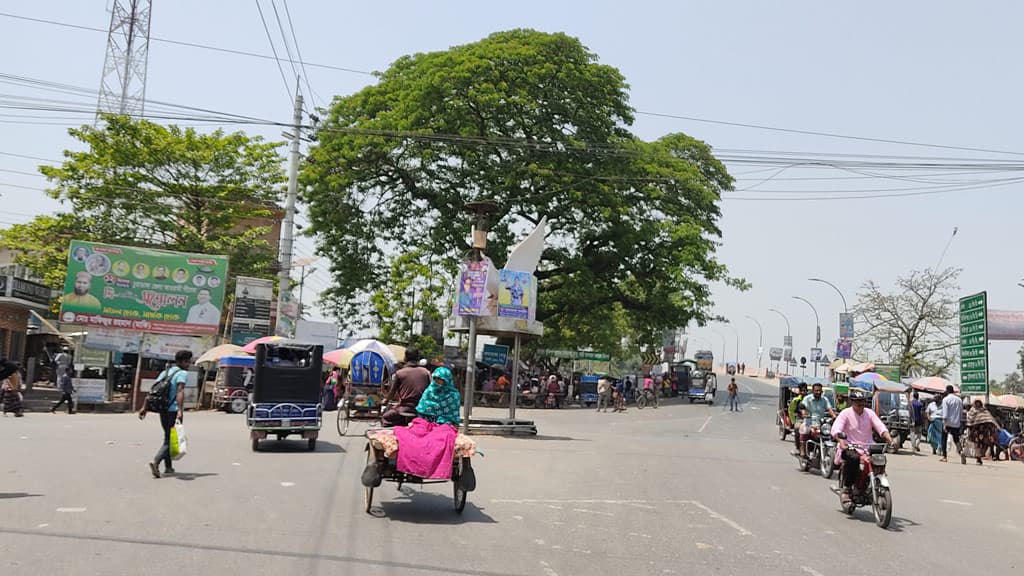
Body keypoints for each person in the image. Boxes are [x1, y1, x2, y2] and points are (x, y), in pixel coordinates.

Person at [831, 388, 895, 505]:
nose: (861, 404)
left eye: (863, 401)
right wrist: (842, 442)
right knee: (854, 458)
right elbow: (836, 429)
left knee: (879, 458)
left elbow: (880, 427)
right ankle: (847, 488)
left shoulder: (869, 413)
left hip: (868, 447)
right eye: (857, 401)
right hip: (849, 447)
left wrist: (890, 440)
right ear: (852, 402)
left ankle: (873, 484)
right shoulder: (845, 413)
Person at [138, 349, 191, 478]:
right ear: (183, 361)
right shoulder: (182, 373)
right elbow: (180, 391)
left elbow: (153, 390)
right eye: (188, 361)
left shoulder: (165, 372)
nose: (189, 363)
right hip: (172, 410)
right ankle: (156, 461)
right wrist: (180, 410)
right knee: (170, 438)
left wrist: (144, 407)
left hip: (162, 408)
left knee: (168, 436)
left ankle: (168, 467)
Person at [382, 351, 431, 427]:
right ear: (418, 358)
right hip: (423, 409)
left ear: (405, 358)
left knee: (385, 417)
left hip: (406, 408)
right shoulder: (426, 372)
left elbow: (392, 393)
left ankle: (404, 422)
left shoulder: (399, 373)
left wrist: (385, 400)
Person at [799, 383, 837, 458]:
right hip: (809, 422)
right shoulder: (807, 398)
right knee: (804, 430)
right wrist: (804, 414)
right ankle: (802, 450)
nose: (818, 392)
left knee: (830, 434)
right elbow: (803, 407)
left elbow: (829, 409)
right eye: (816, 390)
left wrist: (834, 416)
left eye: (820, 390)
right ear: (813, 391)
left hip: (821, 424)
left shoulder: (824, 399)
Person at [966, 397, 998, 465]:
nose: (977, 404)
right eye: (976, 403)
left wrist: (992, 428)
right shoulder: (972, 410)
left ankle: (980, 457)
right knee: (977, 445)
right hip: (975, 431)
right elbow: (969, 421)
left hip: (983, 431)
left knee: (983, 445)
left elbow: (990, 419)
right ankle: (978, 458)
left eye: (979, 403)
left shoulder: (984, 411)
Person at [940, 385, 965, 462]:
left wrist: (944, 423)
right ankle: (961, 451)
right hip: (956, 423)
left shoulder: (946, 399)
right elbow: (961, 412)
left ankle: (944, 456)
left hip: (948, 422)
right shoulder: (959, 400)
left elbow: (945, 412)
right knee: (956, 439)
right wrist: (959, 421)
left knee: (944, 439)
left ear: (947, 391)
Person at [788, 383, 808, 455]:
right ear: (799, 391)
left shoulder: (810, 399)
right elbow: (790, 411)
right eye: (802, 390)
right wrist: (793, 422)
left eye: (805, 390)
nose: (803, 392)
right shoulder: (796, 400)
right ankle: (797, 448)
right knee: (797, 428)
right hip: (800, 419)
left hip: (811, 420)